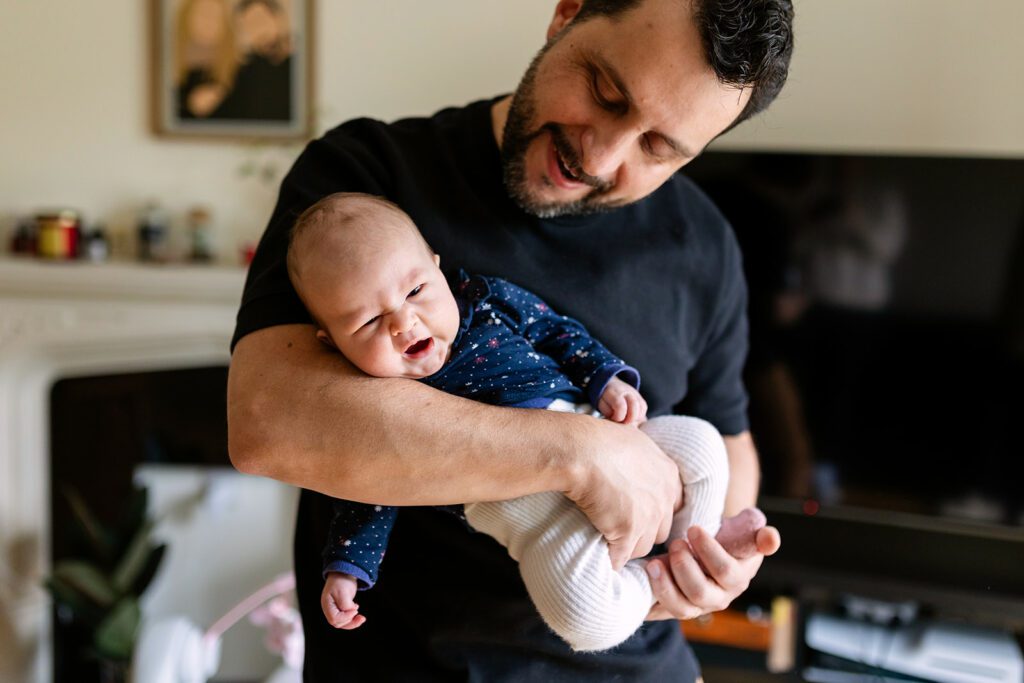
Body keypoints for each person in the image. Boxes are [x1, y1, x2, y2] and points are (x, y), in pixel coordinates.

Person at [227, 0, 795, 679]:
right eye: (607, 93)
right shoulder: (365, 189)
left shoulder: (705, 246)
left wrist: (711, 563)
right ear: (567, 13)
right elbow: (269, 421)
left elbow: (731, 445)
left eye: (657, 148)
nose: (601, 156)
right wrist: (578, 452)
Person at [286, 192, 767, 652]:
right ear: (332, 343)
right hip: (535, 513)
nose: (404, 324)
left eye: (415, 291)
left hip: (601, 427)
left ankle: (696, 548)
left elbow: (556, 331)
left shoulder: (486, 299)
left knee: (701, 442)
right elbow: (371, 486)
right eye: (368, 322)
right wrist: (347, 567)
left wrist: (605, 379)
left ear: (436, 267)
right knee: (585, 618)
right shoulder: (378, 397)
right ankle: (647, 582)